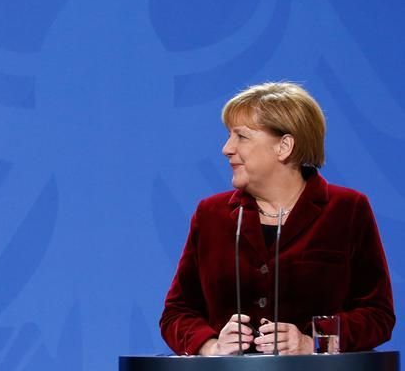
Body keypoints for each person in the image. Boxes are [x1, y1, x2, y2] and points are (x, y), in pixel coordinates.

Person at [160, 82, 394, 355]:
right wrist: (211, 347)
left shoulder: (348, 209)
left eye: (241, 137)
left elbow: (378, 315)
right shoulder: (211, 214)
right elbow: (176, 313)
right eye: (228, 136)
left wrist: (313, 342)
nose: (226, 148)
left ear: (284, 146)